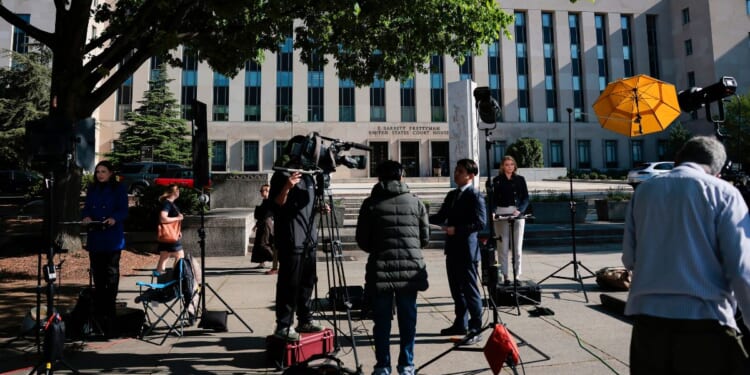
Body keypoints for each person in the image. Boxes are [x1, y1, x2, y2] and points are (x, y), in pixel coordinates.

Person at [622, 136, 750, 374]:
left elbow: (629, 259)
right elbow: (741, 270)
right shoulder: (724, 193)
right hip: (705, 325)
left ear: (678, 159)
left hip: (648, 325)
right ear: (718, 171)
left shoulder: (643, 191)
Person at [356, 160, 430, 375]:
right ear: (401, 176)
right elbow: (424, 239)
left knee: (381, 322)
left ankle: (382, 366)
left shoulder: (370, 204)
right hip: (410, 270)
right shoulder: (416, 202)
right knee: (408, 320)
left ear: (379, 178)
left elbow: (363, 241)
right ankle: (407, 365)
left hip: (381, 269)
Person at [269, 135, 325, 341]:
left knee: (308, 281)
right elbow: (275, 205)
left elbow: (306, 206)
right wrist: (287, 187)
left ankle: (305, 319)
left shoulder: (310, 176)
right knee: (288, 284)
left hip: (309, 239)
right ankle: (283, 325)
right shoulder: (281, 175)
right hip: (291, 240)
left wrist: (320, 208)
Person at [429, 158, 486, 343]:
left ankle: (476, 328)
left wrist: (457, 229)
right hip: (452, 249)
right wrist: (420, 215)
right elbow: (441, 216)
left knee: (470, 291)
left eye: (460, 171)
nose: (456, 174)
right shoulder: (452, 195)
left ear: (470, 176)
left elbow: (480, 223)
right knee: (456, 290)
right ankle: (460, 323)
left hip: (467, 251)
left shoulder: (475, 196)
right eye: (456, 170)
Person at [81, 160, 128, 336]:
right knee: (97, 273)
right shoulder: (93, 189)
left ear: (110, 173)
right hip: (96, 237)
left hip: (112, 236)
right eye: (98, 171)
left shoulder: (118, 189)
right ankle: (99, 308)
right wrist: (86, 217)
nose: (100, 174)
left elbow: (124, 210)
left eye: (103, 171)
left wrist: (114, 218)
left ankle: (110, 306)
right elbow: (86, 208)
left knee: (111, 272)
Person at [491, 155, 529, 285]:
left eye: (511, 164)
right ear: (502, 166)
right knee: (502, 247)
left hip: (517, 213)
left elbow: (526, 198)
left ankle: (517, 275)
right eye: (506, 164)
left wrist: (520, 210)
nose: (509, 167)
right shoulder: (497, 180)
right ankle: (506, 275)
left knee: (517, 247)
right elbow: (493, 199)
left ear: (515, 166)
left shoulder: (520, 179)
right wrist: (493, 211)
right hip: (501, 212)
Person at [154, 184, 185, 275]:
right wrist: (177, 218)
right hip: (170, 236)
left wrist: (178, 231)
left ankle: (160, 278)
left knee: (164, 256)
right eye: (177, 190)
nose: (179, 191)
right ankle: (176, 277)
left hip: (168, 235)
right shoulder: (167, 204)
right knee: (180, 255)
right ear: (173, 192)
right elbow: (163, 218)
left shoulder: (169, 203)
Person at [251, 184, 276, 272]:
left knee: (264, 243)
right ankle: (262, 262)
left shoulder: (269, 201)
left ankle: (276, 260)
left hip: (266, 224)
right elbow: (262, 215)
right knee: (259, 243)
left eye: (262, 191)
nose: (261, 192)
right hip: (262, 224)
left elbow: (267, 215)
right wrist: (256, 225)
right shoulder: (265, 201)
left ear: (267, 191)